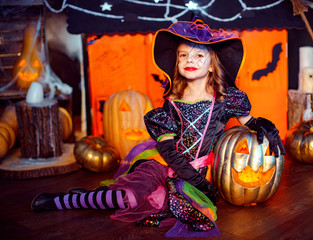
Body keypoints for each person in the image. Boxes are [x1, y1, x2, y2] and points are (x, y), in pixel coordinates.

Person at [31, 19, 285, 237]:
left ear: (212, 64)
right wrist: (192, 178)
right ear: (176, 62)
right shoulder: (170, 104)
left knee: (164, 206)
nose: (190, 60)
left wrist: (267, 127)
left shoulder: (225, 98)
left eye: (199, 55)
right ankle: (62, 200)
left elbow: (249, 122)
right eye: (183, 55)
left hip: (199, 174)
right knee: (130, 198)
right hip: (166, 166)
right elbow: (168, 151)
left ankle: (97, 195)